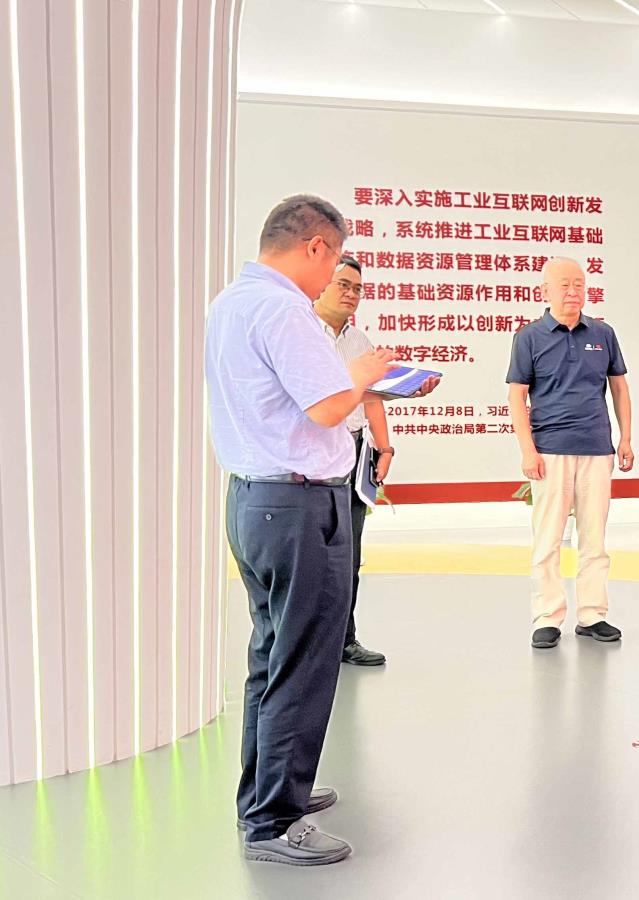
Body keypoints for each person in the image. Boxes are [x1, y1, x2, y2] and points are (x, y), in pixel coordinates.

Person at [208, 194, 395, 865]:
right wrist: (366, 375)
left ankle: (265, 794)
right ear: (316, 246)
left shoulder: (231, 302)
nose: (333, 279)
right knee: (305, 661)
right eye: (334, 261)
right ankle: (274, 822)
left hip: (255, 499)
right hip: (297, 504)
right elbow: (327, 406)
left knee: (272, 655)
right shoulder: (284, 309)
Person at [309, 255, 437, 668]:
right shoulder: (302, 335)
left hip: (353, 451)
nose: (351, 294)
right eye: (343, 285)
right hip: (311, 457)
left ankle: (344, 640)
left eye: (358, 289)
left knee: (348, 555)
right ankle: (307, 647)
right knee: (310, 558)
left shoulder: (359, 342)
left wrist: (385, 448)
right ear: (322, 285)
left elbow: (372, 399)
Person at [508, 257, 634, 650]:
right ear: (544, 291)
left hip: (596, 447)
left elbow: (619, 389)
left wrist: (625, 438)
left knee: (594, 537)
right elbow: (517, 397)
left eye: (579, 283)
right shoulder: (529, 337)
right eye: (563, 284)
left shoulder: (603, 333)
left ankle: (593, 613)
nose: (573, 290)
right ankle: (547, 616)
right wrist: (527, 450)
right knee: (547, 539)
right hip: (550, 451)